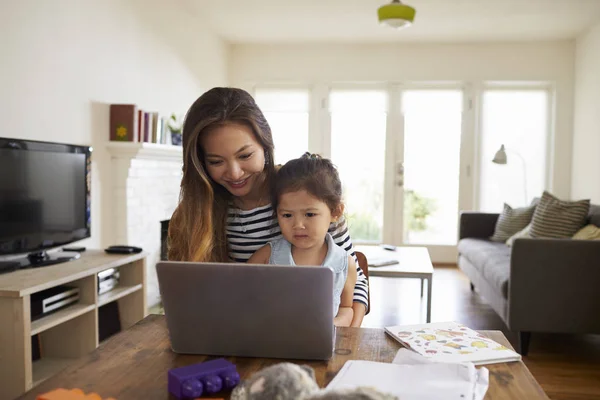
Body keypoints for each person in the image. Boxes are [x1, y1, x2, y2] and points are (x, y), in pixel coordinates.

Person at [168, 87, 368, 327]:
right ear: (201, 163)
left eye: (245, 156)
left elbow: (353, 280)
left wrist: (345, 336)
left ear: (265, 145)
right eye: (216, 161)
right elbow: (187, 297)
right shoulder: (195, 213)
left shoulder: (306, 193)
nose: (234, 173)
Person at [247, 153, 357, 326]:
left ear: (335, 212)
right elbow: (241, 296)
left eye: (310, 214)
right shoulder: (267, 256)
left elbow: (346, 307)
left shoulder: (345, 264)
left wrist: (333, 326)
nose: (298, 225)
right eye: (287, 215)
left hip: (321, 348)